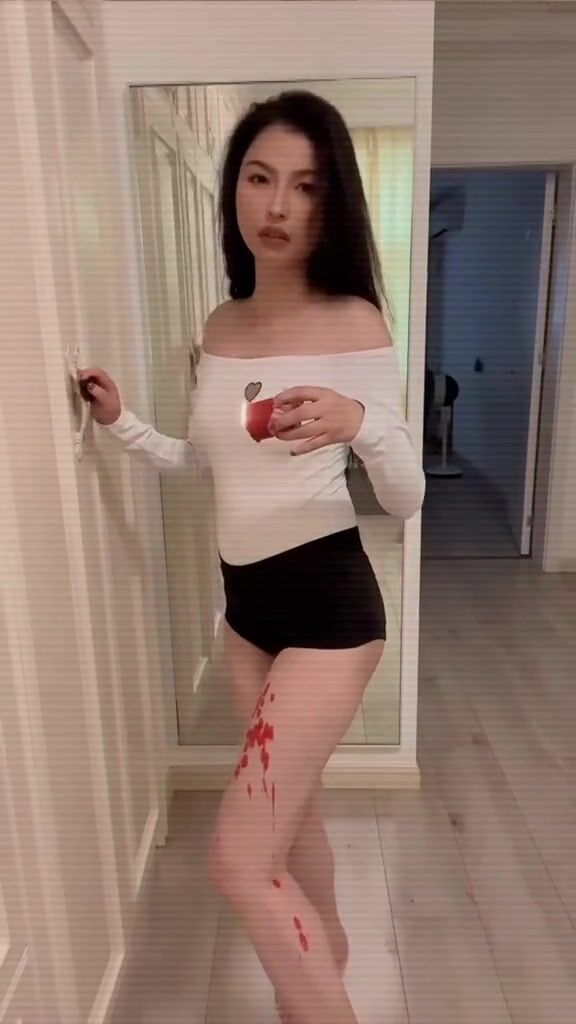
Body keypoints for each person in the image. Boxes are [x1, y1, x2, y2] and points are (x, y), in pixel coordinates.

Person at [79, 90, 425, 1024]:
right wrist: (123, 424)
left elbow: (406, 498)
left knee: (237, 859)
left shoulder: (354, 322)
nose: (276, 206)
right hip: (247, 616)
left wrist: (362, 423)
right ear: (234, 188)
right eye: (260, 178)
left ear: (332, 202)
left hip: (329, 615)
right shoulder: (221, 325)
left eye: (305, 186)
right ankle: (322, 968)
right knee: (290, 819)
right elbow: (211, 461)